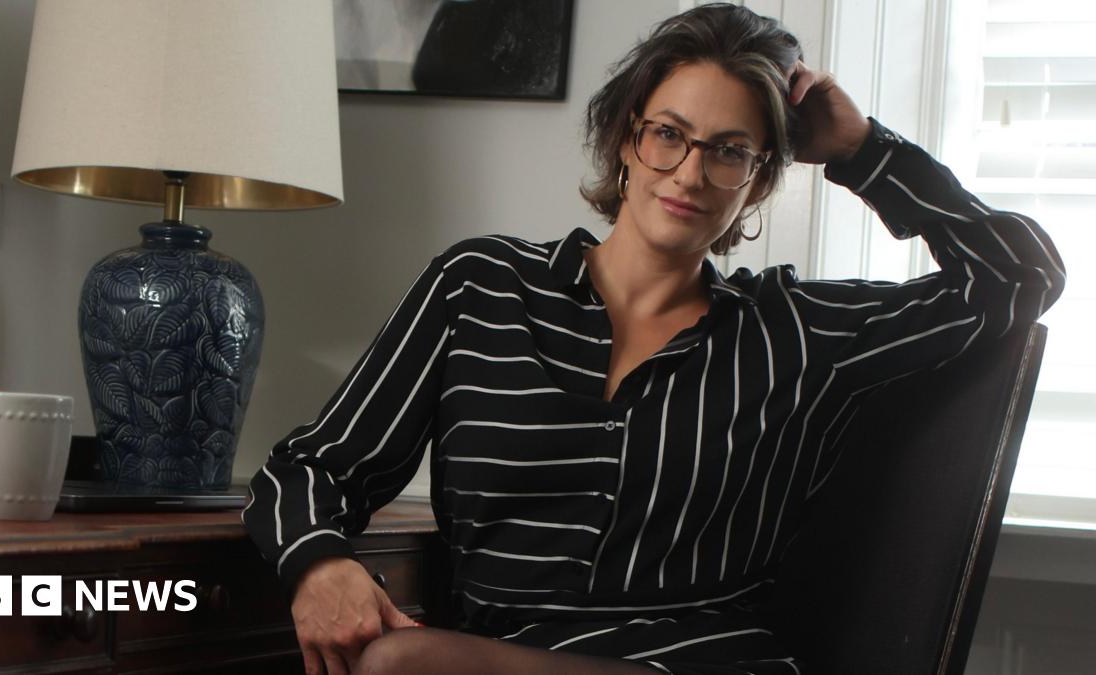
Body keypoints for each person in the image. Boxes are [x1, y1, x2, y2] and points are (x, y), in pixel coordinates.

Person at [243, 4, 1066, 674]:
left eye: (730, 152)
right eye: (669, 133)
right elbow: (314, 464)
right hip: (485, 652)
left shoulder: (797, 331)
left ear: (760, 179)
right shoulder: (479, 288)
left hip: (698, 662)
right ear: (626, 137)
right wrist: (318, 561)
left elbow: (1020, 273)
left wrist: (861, 150)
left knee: (397, 669)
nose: (689, 172)